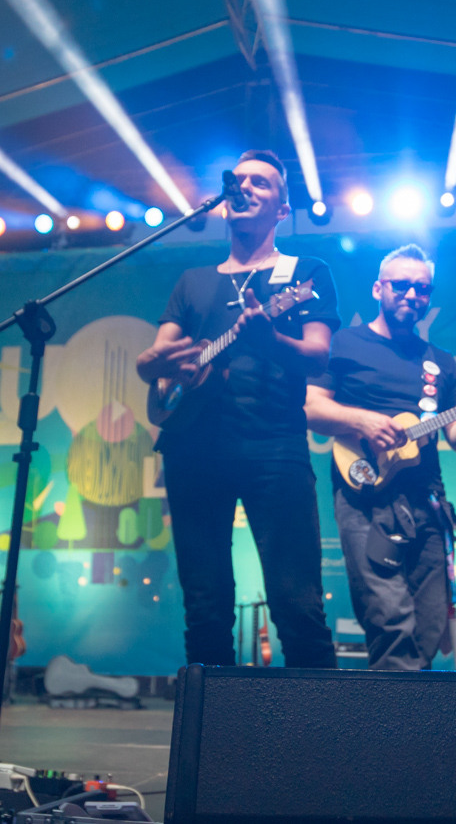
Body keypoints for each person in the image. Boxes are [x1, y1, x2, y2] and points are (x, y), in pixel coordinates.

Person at [135, 150, 339, 668]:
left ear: (282, 209)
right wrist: (159, 365)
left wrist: (271, 340)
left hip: (274, 449)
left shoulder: (306, 274)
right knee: (204, 607)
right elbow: (158, 364)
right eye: (237, 180)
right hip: (192, 450)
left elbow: (317, 356)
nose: (244, 187)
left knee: (297, 603)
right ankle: (210, 717)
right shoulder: (193, 280)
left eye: (260, 183)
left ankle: (321, 720)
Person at [305, 244, 456, 670]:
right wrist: (362, 421)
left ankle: (409, 707)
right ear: (378, 289)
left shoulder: (442, 362)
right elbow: (311, 408)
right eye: (402, 285)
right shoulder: (343, 343)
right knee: (390, 621)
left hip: (428, 502)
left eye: (423, 288)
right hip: (365, 498)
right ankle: (394, 712)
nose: (413, 294)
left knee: (429, 626)